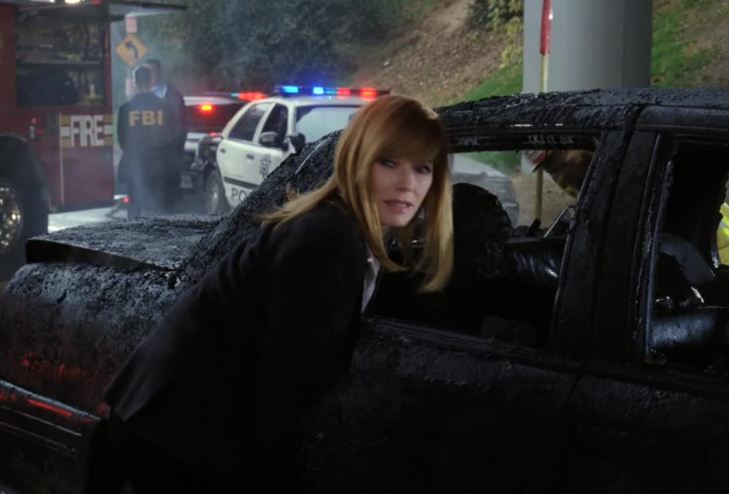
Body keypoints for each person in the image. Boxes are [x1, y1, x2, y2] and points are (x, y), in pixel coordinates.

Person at [84, 95, 454, 492]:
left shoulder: (345, 232)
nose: (407, 184)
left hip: (175, 427)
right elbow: (284, 387)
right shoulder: (328, 238)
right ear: (357, 161)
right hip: (177, 435)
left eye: (422, 168)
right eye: (389, 162)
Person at [523, 149, 729, 268]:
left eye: (557, 163)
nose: (560, 179)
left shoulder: (620, 161)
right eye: (550, 170)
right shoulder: (587, 179)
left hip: (716, 239)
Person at [116, 65, 172, 218]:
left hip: (134, 163)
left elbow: (122, 138)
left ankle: (135, 228)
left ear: (135, 82)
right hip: (159, 164)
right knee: (159, 206)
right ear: (151, 80)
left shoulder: (126, 109)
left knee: (134, 205)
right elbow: (171, 135)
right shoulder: (164, 107)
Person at [145, 58, 187, 212]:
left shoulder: (173, 96)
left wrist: (175, 150)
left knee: (168, 198)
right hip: (148, 156)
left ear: (160, 73)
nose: (150, 75)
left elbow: (181, 125)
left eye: (152, 71)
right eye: (147, 72)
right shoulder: (141, 96)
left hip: (169, 154)